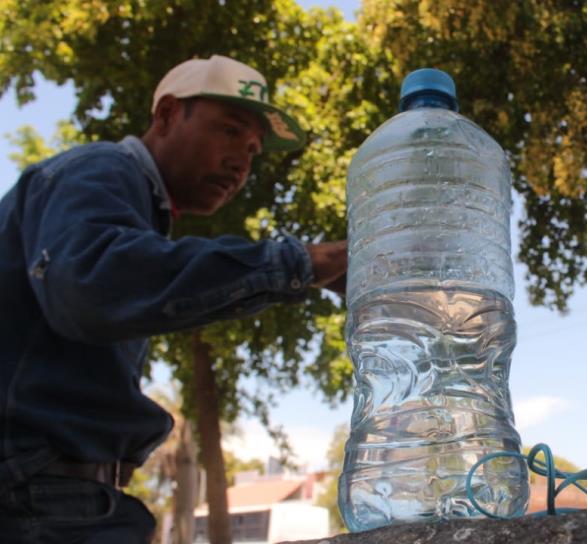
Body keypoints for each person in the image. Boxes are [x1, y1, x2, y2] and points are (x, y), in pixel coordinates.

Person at [0, 55, 347, 542]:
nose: (241, 162)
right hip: (35, 499)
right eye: (228, 131)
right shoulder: (99, 169)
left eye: (252, 150)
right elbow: (90, 286)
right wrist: (301, 263)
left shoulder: (136, 209)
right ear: (165, 115)